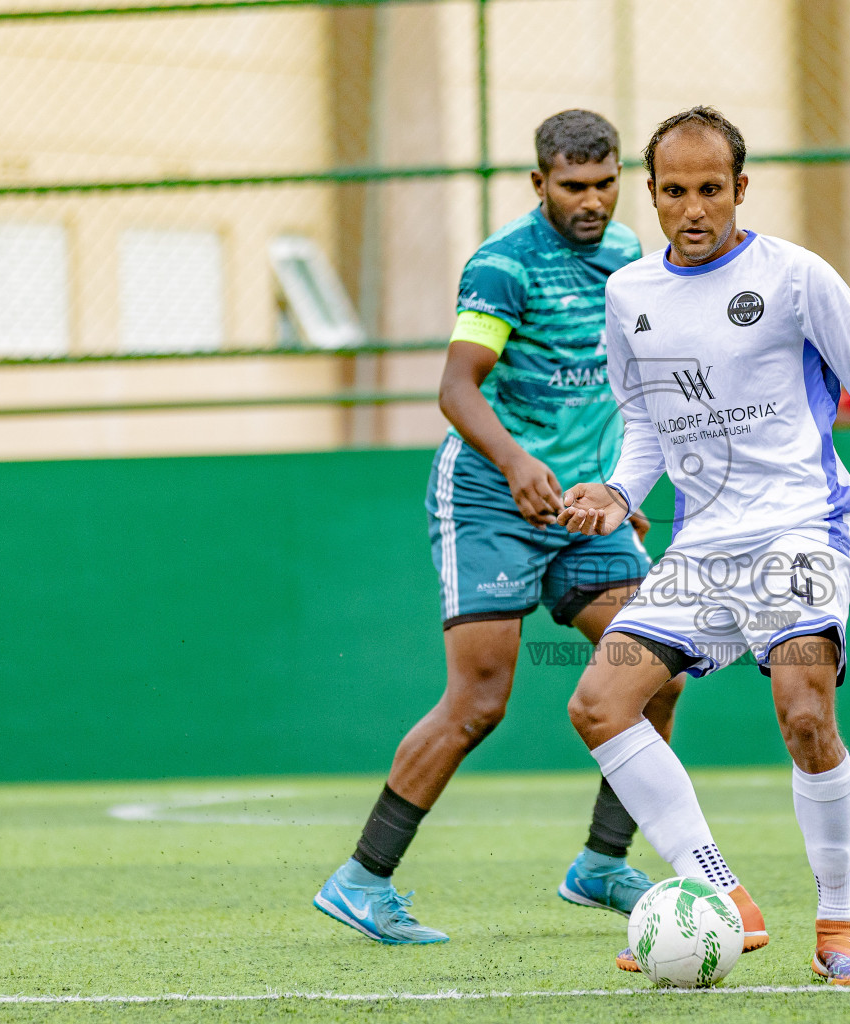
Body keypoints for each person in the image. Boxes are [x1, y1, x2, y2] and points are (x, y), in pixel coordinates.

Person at [555, 106, 850, 985]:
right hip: (701, 548)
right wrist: (620, 491)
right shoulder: (628, 294)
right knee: (597, 703)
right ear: (653, 196)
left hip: (799, 531)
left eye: (712, 190)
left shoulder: (797, 278)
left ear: (742, 189)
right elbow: (643, 423)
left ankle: (838, 922)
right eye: (675, 191)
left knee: (805, 713)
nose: (694, 208)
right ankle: (722, 895)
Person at [313, 109, 684, 945]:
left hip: (583, 509)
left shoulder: (630, 258)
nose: (591, 201)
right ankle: (362, 879)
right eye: (572, 186)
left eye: (604, 184)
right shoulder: (504, 266)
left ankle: (601, 864)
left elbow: (629, 387)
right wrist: (517, 464)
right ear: (538, 184)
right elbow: (457, 388)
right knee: (479, 701)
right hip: (492, 497)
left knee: (657, 673)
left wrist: (625, 485)